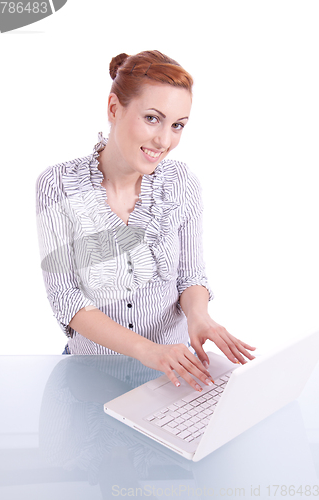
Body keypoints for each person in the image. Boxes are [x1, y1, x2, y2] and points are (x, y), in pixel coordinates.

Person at [36, 50, 255, 392]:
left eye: (177, 125)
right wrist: (147, 351)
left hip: (173, 374)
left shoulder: (181, 183)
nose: (164, 141)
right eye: (152, 118)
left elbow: (191, 276)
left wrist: (200, 317)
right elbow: (66, 298)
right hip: (91, 373)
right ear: (114, 108)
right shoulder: (58, 185)